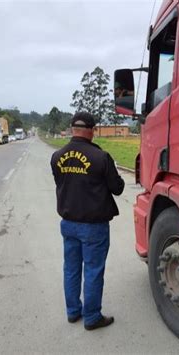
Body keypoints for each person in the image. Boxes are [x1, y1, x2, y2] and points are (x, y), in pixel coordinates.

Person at [50, 112, 125, 330]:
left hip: (68, 224)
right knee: (93, 270)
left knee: (71, 268)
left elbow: (61, 183)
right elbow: (118, 188)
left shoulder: (57, 156)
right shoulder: (100, 157)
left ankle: (73, 312)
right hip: (93, 226)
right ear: (92, 131)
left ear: (72, 130)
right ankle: (92, 317)